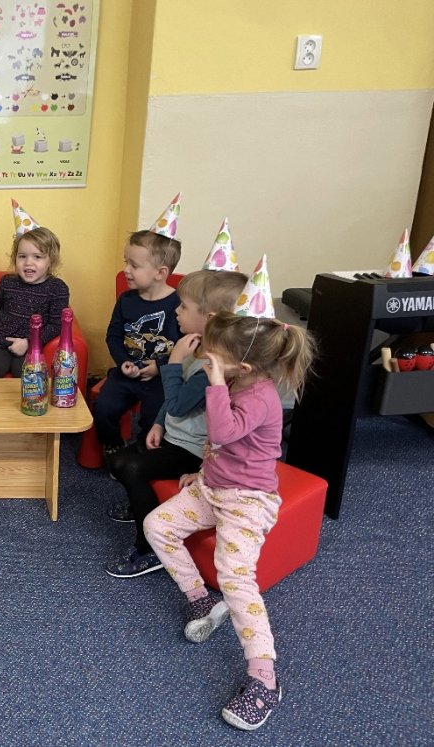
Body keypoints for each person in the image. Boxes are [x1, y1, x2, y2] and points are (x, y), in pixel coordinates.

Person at [143, 266, 316, 731]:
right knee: (157, 525)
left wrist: (216, 383)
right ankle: (200, 601)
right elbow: (218, 444)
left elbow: (222, 431)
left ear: (242, 367)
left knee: (236, 578)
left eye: (214, 357)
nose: (206, 359)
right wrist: (201, 472)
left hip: (247, 500)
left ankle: (265, 677)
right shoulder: (237, 381)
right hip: (213, 486)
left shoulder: (258, 395)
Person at [104, 269, 247, 577]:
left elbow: (179, 404)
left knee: (131, 468)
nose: (176, 312)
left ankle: (149, 549)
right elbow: (171, 403)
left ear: (209, 317)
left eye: (183, 307)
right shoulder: (194, 347)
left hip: (193, 451)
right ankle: (141, 505)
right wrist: (158, 423)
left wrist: (173, 362)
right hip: (172, 435)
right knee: (117, 461)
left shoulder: (211, 365)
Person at [93, 222, 182, 458]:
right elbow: (113, 336)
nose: (126, 270)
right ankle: (113, 444)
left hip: (161, 378)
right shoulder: (126, 300)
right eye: (126, 262)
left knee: (156, 415)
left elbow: (188, 348)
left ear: (160, 273)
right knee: (103, 407)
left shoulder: (180, 306)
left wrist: (160, 367)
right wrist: (124, 362)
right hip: (127, 371)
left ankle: (142, 452)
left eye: (134, 265)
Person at [0, 201, 69, 377]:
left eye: (37, 257)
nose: (28, 263)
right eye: (22, 256)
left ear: (51, 261)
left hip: (31, 348)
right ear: (15, 258)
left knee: (31, 384)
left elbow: (56, 325)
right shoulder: (7, 282)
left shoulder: (57, 288)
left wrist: (28, 342)